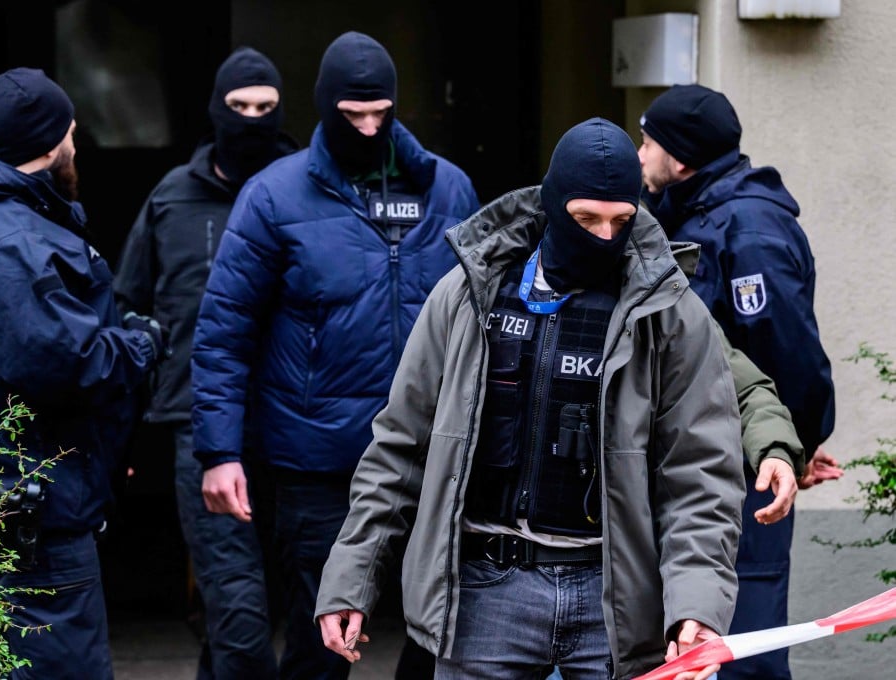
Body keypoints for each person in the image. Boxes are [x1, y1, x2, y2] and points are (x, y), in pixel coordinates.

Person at [315, 117, 746, 680]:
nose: (604, 237)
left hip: (617, 602)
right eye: (585, 219)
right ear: (552, 203)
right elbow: (401, 446)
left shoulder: (670, 312)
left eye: (621, 220)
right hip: (485, 594)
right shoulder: (470, 293)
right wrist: (352, 578)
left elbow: (702, 475)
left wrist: (696, 608)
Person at [191, 30, 478, 679]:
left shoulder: (448, 191)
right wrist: (219, 451)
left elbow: (486, 317)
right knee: (321, 635)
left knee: (443, 625)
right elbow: (224, 330)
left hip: (430, 449)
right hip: (317, 457)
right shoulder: (274, 195)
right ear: (325, 106)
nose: (369, 128)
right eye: (353, 115)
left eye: (381, 113)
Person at [0, 67, 164, 679]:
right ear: (52, 143)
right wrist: (141, 344)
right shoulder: (13, 244)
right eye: (72, 132)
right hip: (32, 521)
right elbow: (65, 364)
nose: (75, 144)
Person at [638, 84, 840, 680]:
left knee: (743, 648)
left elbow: (790, 357)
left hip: (745, 475)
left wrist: (787, 449)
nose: (639, 154)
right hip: (694, 468)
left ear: (680, 157)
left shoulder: (748, 231)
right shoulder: (684, 214)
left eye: (647, 142)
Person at [112, 46, 295, 680]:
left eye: (266, 108)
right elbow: (127, 307)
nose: (251, 120)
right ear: (217, 108)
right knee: (238, 609)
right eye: (239, 106)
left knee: (273, 605)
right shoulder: (173, 198)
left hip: (292, 421)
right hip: (198, 423)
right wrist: (122, 424)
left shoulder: (307, 189)